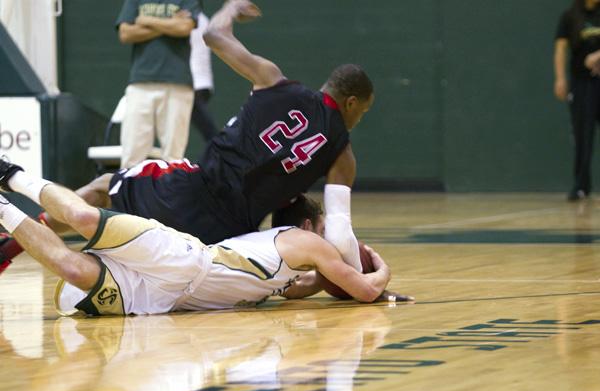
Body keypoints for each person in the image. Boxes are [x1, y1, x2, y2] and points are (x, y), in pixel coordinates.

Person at [0, 0, 372, 276]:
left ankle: (12, 243)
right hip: (232, 236)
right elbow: (339, 229)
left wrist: (229, 9)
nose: (359, 118)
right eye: (363, 111)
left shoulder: (274, 80)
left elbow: (211, 34)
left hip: (193, 191)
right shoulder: (343, 155)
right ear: (351, 102)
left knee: (102, 187)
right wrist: (360, 277)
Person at [0, 158, 410, 315]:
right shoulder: (307, 243)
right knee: (83, 216)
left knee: (70, 268)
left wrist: (324, 282)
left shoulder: (286, 265)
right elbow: (364, 291)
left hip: (165, 298)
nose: (331, 243)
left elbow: (297, 287)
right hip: (180, 259)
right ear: (308, 228)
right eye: (325, 232)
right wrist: (384, 273)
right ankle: (12, 174)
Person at [116, 0, 201, 168]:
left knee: (174, 158)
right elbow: (125, 33)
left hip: (178, 82)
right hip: (140, 82)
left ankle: (171, 194)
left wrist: (146, 20)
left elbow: (184, 28)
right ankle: (129, 194)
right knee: (132, 156)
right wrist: (170, 23)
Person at [554, 0, 600, 201]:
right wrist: (560, 78)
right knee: (583, 134)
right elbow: (561, 48)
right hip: (581, 83)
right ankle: (581, 185)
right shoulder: (570, 16)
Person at [190, 9, 220, 147]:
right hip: (201, 84)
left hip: (193, 83)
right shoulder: (203, 18)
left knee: (209, 132)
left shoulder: (192, 19)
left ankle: (222, 153)